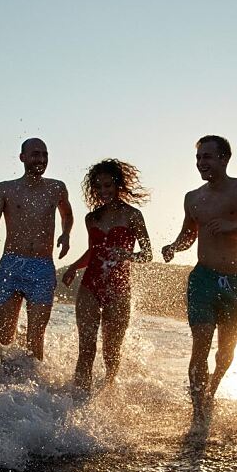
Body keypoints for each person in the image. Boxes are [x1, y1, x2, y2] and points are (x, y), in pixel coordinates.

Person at [161, 135, 237, 427]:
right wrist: (174, 247)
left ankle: (211, 391)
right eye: (199, 158)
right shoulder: (193, 198)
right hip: (203, 278)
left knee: (226, 351)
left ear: (225, 159)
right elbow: (189, 235)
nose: (202, 163)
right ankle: (198, 415)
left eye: (208, 157)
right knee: (200, 345)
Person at [62, 159, 153, 394]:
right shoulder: (91, 218)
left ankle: (106, 396)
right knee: (87, 348)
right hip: (91, 285)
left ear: (118, 185)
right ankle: (79, 401)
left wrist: (127, 255)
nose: (103, 191)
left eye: (108, 186)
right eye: (99, 187)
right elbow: (93, 252)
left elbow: (147, 255)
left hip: (119, 289)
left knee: (111, 352)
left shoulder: (133, 216)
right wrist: (73, 267)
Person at [0, 138, 74, 360]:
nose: (40, 159)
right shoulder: (5, 189)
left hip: (42, 268)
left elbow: (67, 215)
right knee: (5, 338)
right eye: (35, 154)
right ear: (22, 157)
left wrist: (66, 234)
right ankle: (5, 384)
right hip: (12, 265)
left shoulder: (56, 188)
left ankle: (35, 390)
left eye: (44, 154)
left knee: (35, 341)